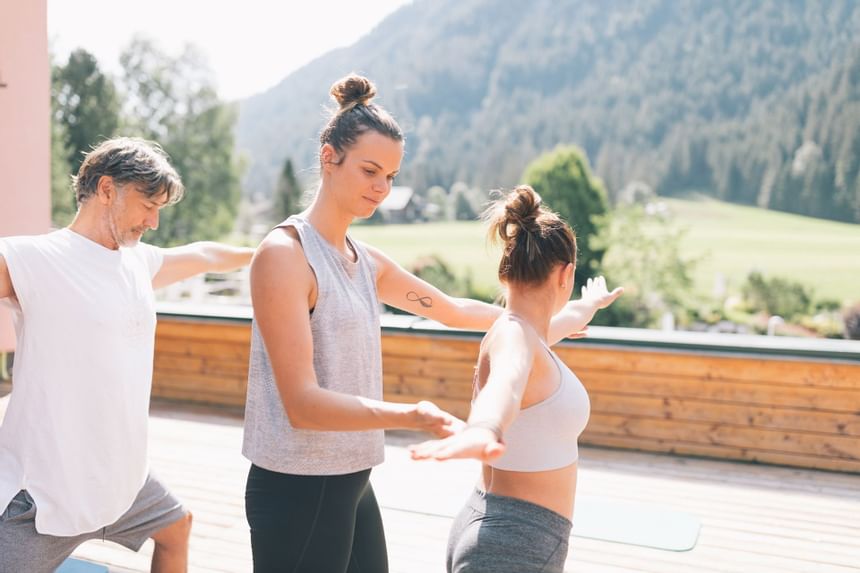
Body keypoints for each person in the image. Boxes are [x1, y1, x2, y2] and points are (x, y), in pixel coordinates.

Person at [242, 75, 606, 573]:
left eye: (390, 176)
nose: (381, 188)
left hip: (351, 477)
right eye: (371, 170)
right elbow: (302, 405)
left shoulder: (364, 259)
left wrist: (562, 317)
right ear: (329, 157)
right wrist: (413, 414)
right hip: (297, 486)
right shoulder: (285, 256)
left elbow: (461, 312)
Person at [0, 137, 255, 573]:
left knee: (177, 528)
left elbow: (205, 254)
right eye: (147, 205)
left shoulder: (140, 262)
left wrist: (278, 252)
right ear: (105, 189)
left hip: (123, 478)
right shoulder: (34, 257)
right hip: (44, 491)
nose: (153, 221)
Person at [409, 185, 623, 573]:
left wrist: (590, 304)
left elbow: (566, 320)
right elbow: (505, 383)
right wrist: (485, 427)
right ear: (565, 273)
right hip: (512, 545)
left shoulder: (525, 332)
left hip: (502, 532)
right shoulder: (514, 336)